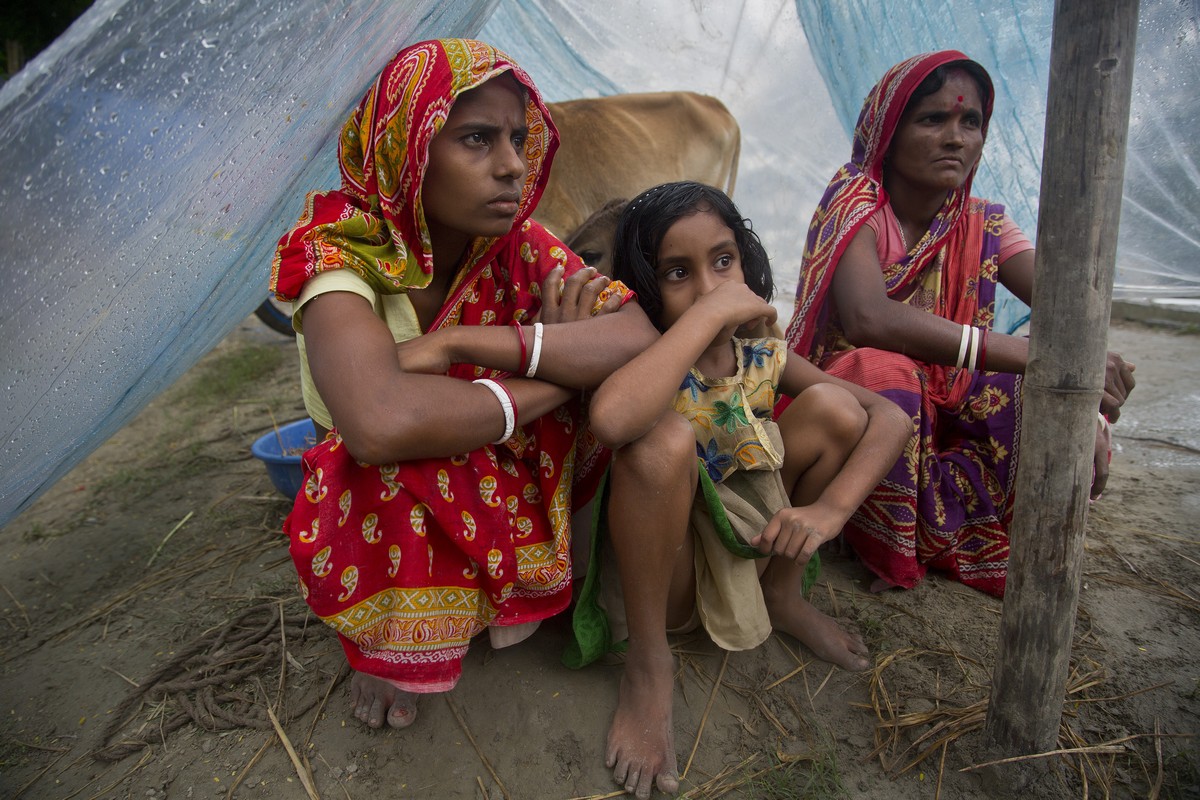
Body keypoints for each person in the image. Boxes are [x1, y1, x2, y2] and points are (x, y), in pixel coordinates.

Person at [268, 39, 658, 730]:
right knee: (379, 469)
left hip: (488, 437)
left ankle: (518, 600)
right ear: (406, 149)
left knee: (637, 412)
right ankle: (392, 649)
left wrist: (457, 343)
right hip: (404, 467)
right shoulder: (336, 259)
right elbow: (380, 421)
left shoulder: (513, 242)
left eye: (516, 137)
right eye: (477, 139)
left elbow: (634, 335)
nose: (512, 165)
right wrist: (555, 374)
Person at [576, 181, 910, 799]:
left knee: (834, 409)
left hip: (750, 548)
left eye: (723, 261)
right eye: (679, 272)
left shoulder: (758, 355)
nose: (710, 287)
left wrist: (830, 511)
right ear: (644, 288)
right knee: (662, 441)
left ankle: (782, 596)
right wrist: (708, 314)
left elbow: (890, 419)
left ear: (745, 259)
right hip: (670, 579)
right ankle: (650, 665)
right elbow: (615, 421)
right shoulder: (645, 354)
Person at [784, 50, 1136, 597]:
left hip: (954, 399)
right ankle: (885, 541)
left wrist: (1082, 392)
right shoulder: (855, 203)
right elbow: (868, 319)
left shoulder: (984, 223)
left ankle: (966, 534)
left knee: (1033, 384)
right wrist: (1033, 357)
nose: (956, 138)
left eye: (970, 122)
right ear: (887, 132)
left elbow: (1072, 314)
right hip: (866, 401)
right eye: (933, 119)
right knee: (887, 374)